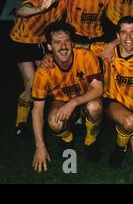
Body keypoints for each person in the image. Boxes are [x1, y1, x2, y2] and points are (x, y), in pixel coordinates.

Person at [32, 22, 103, 172]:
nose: (63, 46)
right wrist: (40, 146)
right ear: (49, 47)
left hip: (84, 99)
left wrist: (73, 103)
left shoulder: (86, 56)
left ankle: (90, 141)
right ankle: (67, 139)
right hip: (60, 102)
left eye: (66, 41)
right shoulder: (43, 72)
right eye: (57, 42)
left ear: (72, 43)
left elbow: (98, 90)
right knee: (54, 122)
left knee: (95, 107)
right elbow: (37, 111)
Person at [89, 16, 133, 167]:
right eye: (123, 33)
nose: (128, 37)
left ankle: (126, 132)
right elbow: (80, 46)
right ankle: (120, 148)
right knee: (129, 122)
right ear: (117, 35)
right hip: (113, 102)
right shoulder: (107, 50)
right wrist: (50, 54)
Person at [10, 0, 70, 138]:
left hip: (40, 43)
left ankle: (45, 115)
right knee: (31, 83)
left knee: (47, 81)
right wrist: (39, 9)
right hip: (21, 41)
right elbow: (21, 10)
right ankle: (21, 122)